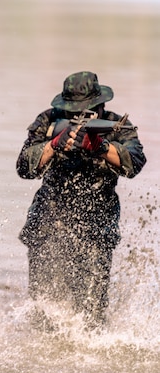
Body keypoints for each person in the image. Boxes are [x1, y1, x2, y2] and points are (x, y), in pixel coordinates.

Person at [16, 71, 146, 329]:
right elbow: (24, 167)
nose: (78, 116)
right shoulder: (48, 121)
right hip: (49, 223)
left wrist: (100, 147)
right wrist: (53, 144)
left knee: (92, 313)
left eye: (85, 110)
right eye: (72, 111)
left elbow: (135, 163)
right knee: (44, 309)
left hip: (97, 227)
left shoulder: (116, 125)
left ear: (101, 105)